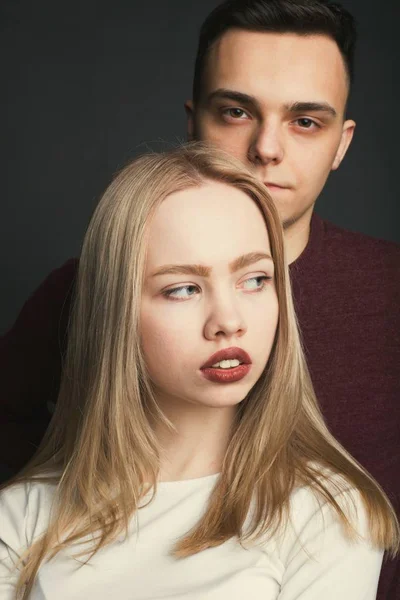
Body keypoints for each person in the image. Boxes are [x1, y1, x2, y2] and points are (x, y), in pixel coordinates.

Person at [1, 0, 399, 597]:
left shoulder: (390, 291)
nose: (267, 148)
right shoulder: (82, 292)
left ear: (342, 144)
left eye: (305, 121)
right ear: (194, 125)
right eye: (236, 111)